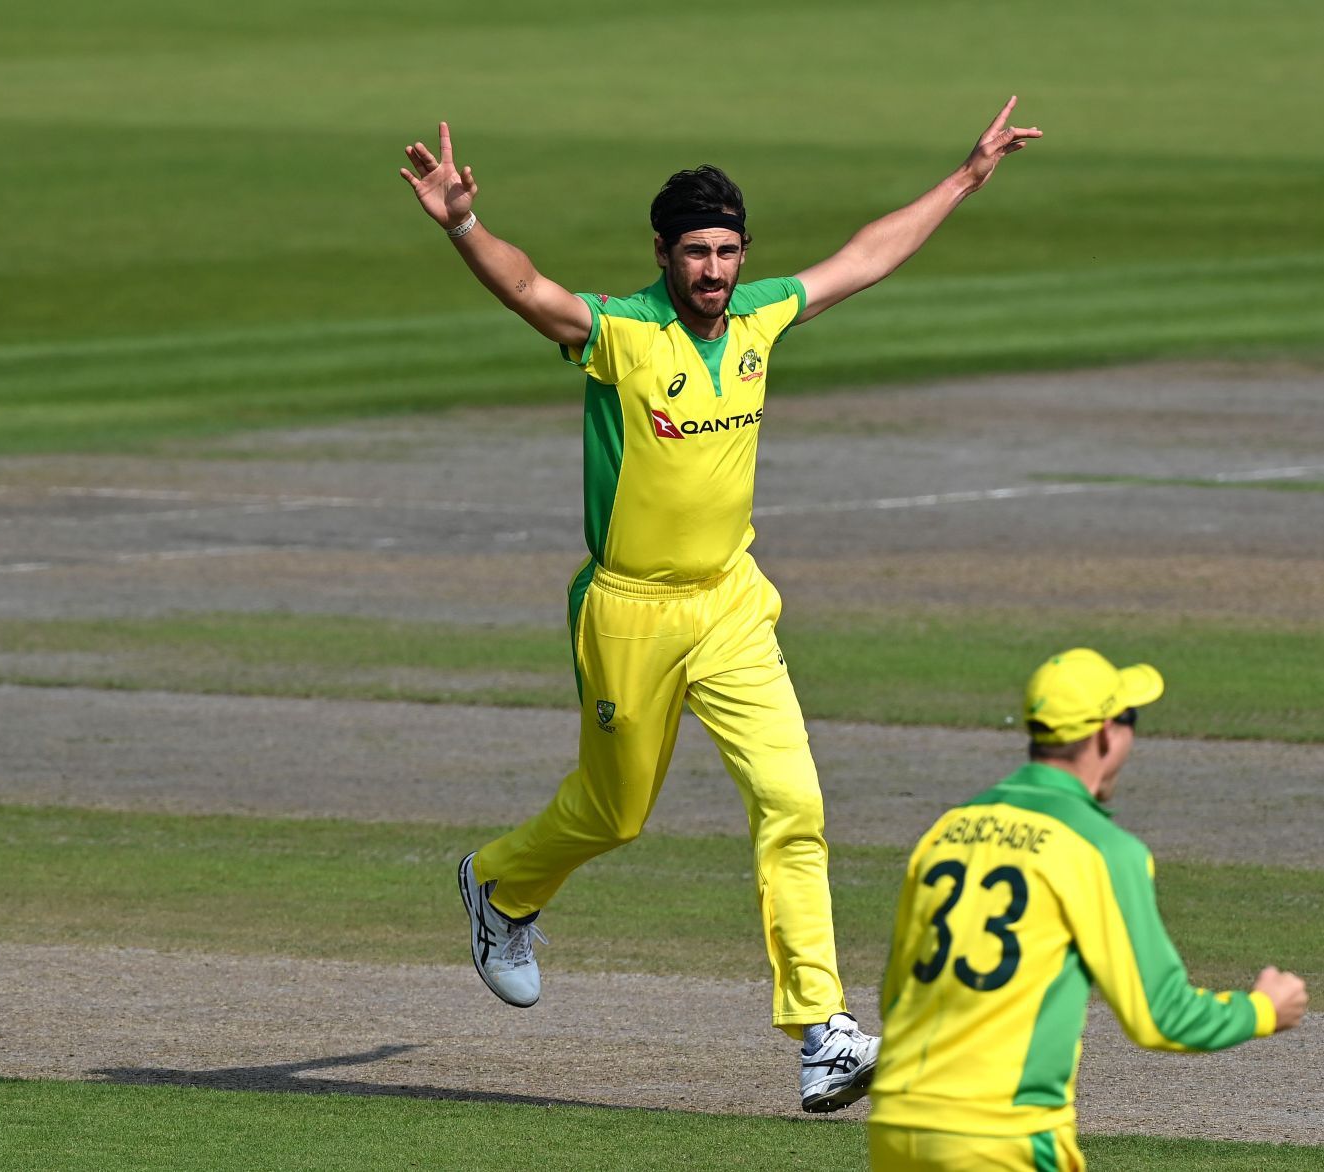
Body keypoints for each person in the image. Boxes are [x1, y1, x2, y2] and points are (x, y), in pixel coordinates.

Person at [398, 98, 1043, 1113]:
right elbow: (532, 291)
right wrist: (464, 225)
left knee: (794, 804)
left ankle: (822, 1029)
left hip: (733, 602)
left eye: (728, 251)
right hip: (629, 612)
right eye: (695, 251)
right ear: (662, 252)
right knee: (615, 811)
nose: (713, 269)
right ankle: (501, 885)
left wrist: (965, 177)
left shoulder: (759, 317)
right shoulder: (621, 334)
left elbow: (863, 258)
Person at [867, 649, 1309, 1169]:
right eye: (1131, 721)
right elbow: (1160, 1018)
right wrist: (1261, 1010)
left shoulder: (946, 831)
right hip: (1000, 1136)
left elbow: (896, 996)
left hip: (896, 1123)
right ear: (1105, 733)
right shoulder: (1099, 849)